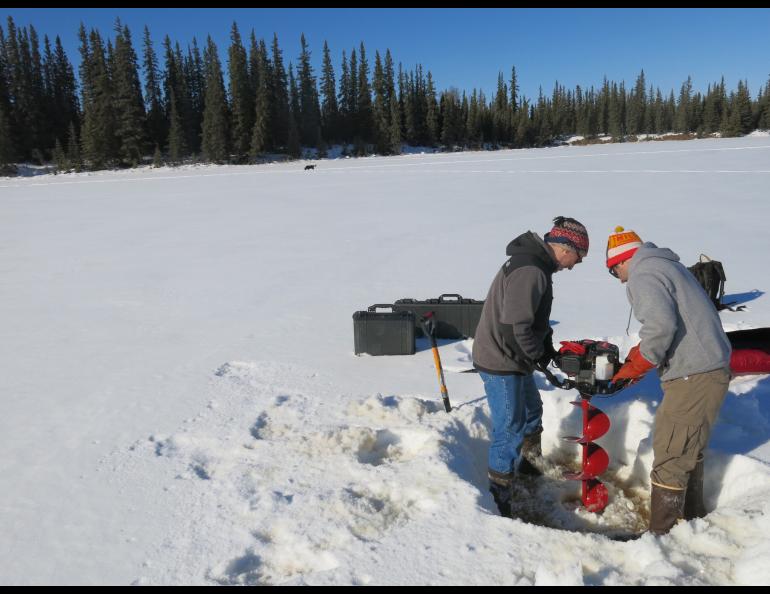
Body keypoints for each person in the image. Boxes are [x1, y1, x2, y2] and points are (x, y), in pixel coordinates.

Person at [607, 226, 732, 535]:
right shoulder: (667, 265)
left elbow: (661, 326)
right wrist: (640, 353)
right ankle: (689, 523)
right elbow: (672, 321)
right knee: (688, 447)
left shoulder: (643, 274)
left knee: (672, 452)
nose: (620, 279)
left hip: (695, 373)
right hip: (705, 367)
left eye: (614, 271)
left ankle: (662, 537)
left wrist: (637, 364)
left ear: (623, 261)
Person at [472, 216, 589, 517]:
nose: (573, 265)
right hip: (501, 359)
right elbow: (516, 326)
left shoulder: (536, 266)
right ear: (565, 248)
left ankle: (529, 465)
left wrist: (547, 349)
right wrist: (538, 355)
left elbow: (533, 319)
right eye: (577, 257)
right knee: (510, 428)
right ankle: (500, 497)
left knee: (531, 412)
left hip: (513, 355)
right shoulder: (531, 271)